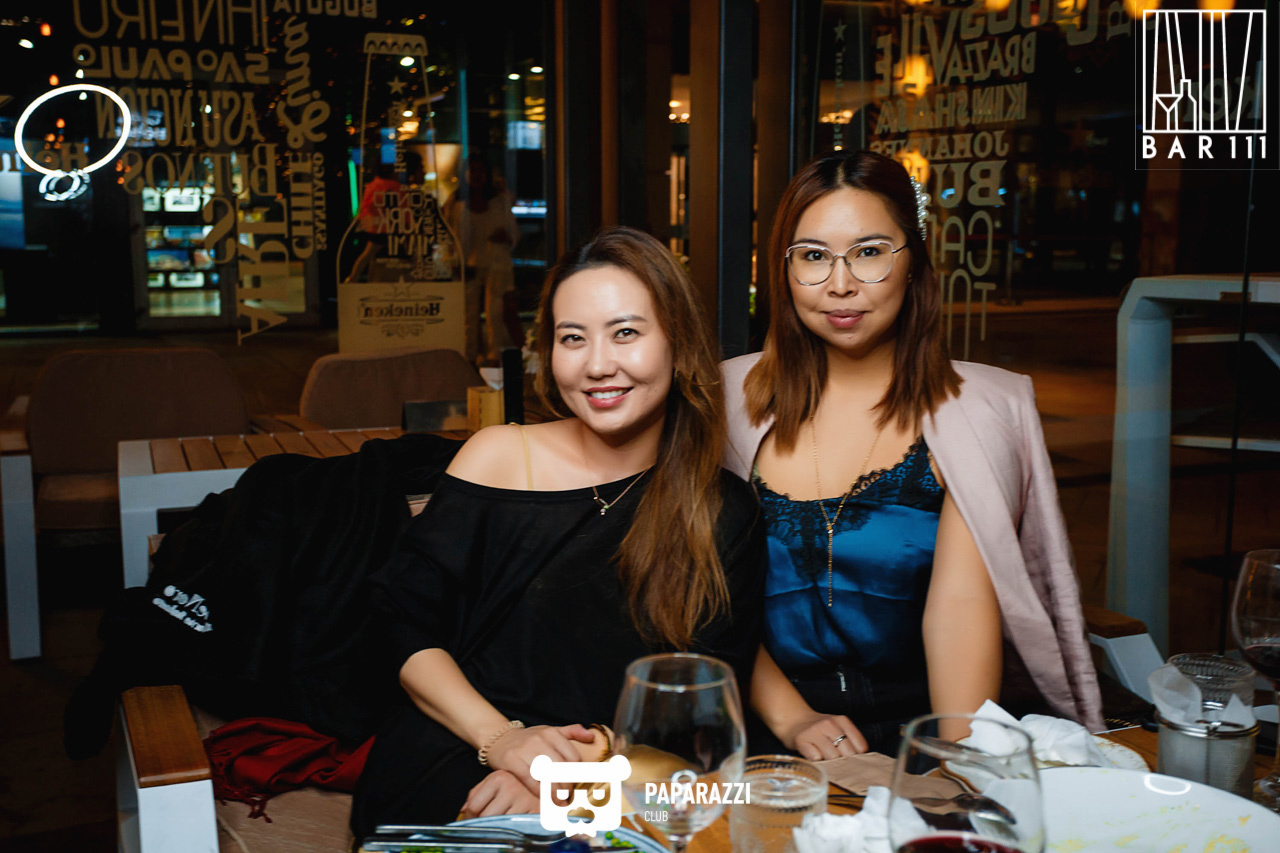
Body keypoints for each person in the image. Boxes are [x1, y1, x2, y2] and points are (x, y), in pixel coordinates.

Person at [350, 226, 765, 835]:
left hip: (622, 769)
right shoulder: (498, 456)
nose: (597, 365)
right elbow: (402, 625)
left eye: (626, 333)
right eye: (573, 338)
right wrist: (506, 743)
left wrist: (570, 775)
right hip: (462, 744)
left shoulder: (721, 509)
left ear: (678, 344)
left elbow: (702, 702)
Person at [721, 150, 1103, 759]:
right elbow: (708, 595)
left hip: (923, 726)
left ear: (913, 260)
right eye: (813, 256)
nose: (840, 284)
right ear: (783, 269)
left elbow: (959, 615)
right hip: (763, 725)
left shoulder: (976, 412)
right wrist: (793, 721)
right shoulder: (727, 401)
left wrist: (959, 775)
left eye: (869, 252)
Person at [445, 154, 522, 362]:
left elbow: (514, 233)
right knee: (468, 314)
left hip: (496, 263)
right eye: (472, 170)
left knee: (495, 312)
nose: (477, 175)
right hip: (467, 265)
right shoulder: (455, 202)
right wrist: (452, 261)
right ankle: (469, 357)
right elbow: (447, 236)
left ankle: (494, 355)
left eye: (481, 170)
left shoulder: (499, 200)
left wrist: (506, 238)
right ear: (464, 174)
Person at [346, 163, 401, 283]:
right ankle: (354, 278)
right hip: (384, 227)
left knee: (370, 255)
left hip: (374, 226)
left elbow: (365, 207)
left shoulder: (372, 186)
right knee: (371, 254)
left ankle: (355, 278)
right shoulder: (393, 187)